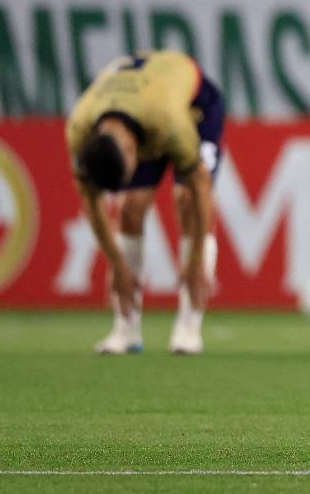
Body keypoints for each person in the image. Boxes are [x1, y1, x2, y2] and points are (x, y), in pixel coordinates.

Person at [66, 50, 226, 356]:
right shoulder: (79, 128)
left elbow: (201, 187)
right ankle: (125, 330)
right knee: (131, 206)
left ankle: (189, 326)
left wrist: (195, 262)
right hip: (138, 106)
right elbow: (91, 199)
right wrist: (117, 264)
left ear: (132, 151)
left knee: (186, 200)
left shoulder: (169, 123)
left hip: (195, 107)